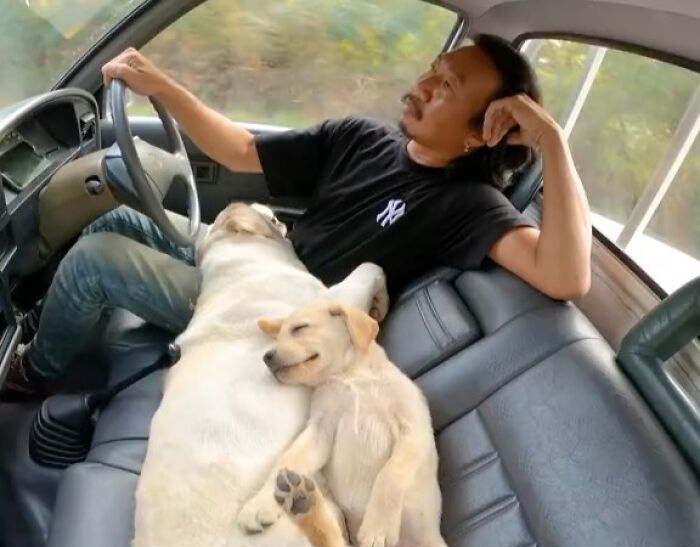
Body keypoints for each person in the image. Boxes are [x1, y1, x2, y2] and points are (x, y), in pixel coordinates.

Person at [6, 34, 591, 398]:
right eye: (434, 71)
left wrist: (553, 142)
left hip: (274, 313)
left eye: (448, 87)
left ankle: (31, 375)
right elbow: (239, 150)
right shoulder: (363, 138)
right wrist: (159, 84)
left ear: (478, 133)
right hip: (256, 260)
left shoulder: (467, 205)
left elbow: (566, 276)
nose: (423, 86)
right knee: (113, 222)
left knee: (93, 260)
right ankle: (62, 331)